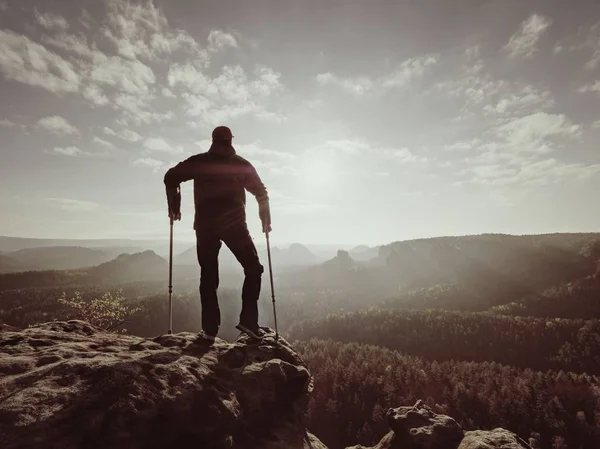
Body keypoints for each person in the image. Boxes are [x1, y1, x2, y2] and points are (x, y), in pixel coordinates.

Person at [163, 126, 271, 341]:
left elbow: (170, 177)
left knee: (209, 276)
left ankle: (210, 329)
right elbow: (261, 192)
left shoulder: (200, 162)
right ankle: (249, 322)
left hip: (205, 225)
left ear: (213, 140)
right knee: (253, 268)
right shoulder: (241, 165)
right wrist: (265, 218)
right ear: (231, 140)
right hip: (234, 226)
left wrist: (175, 205)